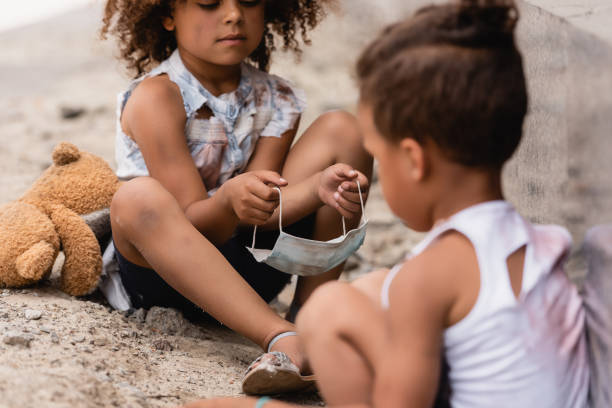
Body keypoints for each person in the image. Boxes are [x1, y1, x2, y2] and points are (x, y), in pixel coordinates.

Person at [180, 0, 590, 407]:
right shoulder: (548, 245)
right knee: (362, 294)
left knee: (323, 315)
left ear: (414, 160)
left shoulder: (429, 279)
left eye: (381, 154)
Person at [99, 0, 372, 395]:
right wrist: (228, 199)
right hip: (166, 276)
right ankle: (280, 335)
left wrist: (317, 189)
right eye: (209, 2)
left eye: (249, 1)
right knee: (136, 198)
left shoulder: (277, 99)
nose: (233, 15)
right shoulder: (157, 97)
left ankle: (310, 316)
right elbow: (192, 221)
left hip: (251, 265)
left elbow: (264, 211)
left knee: (344, 130)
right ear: (167, 15)